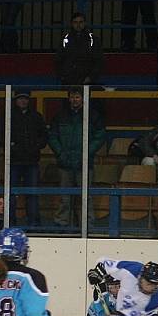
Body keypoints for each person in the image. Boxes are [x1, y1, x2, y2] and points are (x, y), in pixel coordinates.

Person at [48, 86, 106, 226]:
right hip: (65, 162)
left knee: (86, 196)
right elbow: (52, 136)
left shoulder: (93, 115)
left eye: (77, 97)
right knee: (64, 196)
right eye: (72, 97)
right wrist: (61, 153)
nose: (75, 100)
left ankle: (87, 224)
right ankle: (62, 223)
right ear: (69, 98)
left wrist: (86, 154)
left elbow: (100, 136)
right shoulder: (60, 115)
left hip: (84, 163)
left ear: (83, 98)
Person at [0, 90, 48, 226]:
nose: (23, 101)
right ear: (15, 100)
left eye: (25, 98)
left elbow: (44, 137)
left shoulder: (36, 116)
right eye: (20, 98)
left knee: (33, 194)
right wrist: (12, 146)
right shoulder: (7, 116)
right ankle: (9, 222)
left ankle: (33, 224)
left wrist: (34, 147)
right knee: (11, 194)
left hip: (32, 161)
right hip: (13, 161)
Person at [55, 13, 104, 86]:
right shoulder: (65, 39)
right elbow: (59, 60)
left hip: (87, 81)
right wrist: (63, 77)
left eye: (81, 22)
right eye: (75, 22)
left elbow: (99, 60)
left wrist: (91, 77)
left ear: (85, 23)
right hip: (68, 81)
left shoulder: (93, 40)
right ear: (71, 24)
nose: (78, 25)